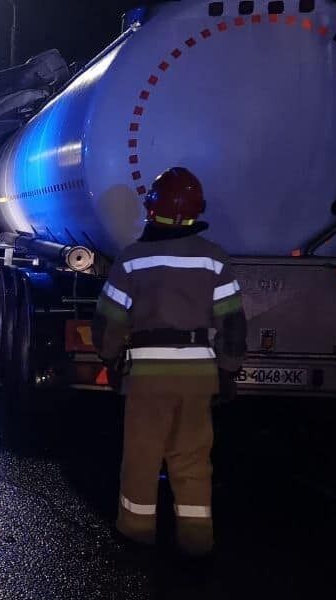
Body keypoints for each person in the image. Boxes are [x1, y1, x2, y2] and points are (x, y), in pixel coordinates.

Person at [93, 167, 247, 558]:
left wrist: (110, 359)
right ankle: (196, 542)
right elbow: (232, 321)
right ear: (198, 211)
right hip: (198, 376)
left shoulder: (131, 260)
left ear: (151, 209)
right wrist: (228, 370)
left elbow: (110, 321)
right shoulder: (215, 260)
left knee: (142, 458)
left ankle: (136, 533)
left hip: (146, 377)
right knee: (193, 460)